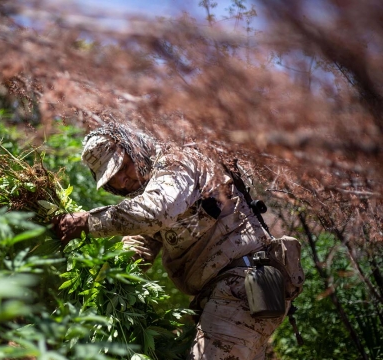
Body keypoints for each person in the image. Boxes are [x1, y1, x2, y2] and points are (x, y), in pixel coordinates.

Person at [53, 123, 287, 359]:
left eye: (124, 166)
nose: (123, 180)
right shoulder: (149, 193)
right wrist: (108, 282)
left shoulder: (176, 163)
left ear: (136, 149)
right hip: (220, 294)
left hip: (245, 283)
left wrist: (88, 222)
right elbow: (140, 242)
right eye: (113, 178)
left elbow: (156, 212)